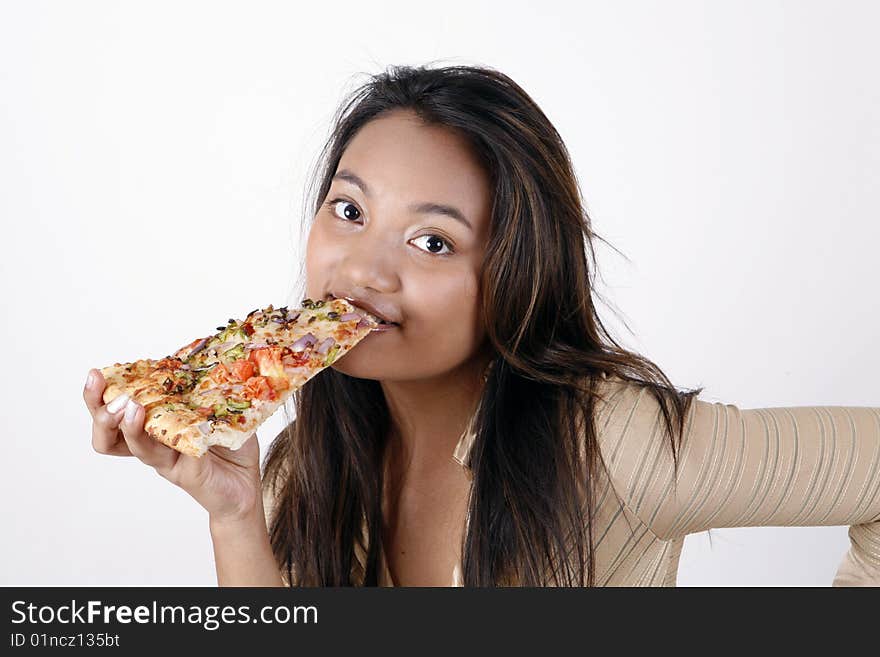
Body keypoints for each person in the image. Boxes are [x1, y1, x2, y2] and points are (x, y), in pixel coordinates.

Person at [83, 64, 880, 587]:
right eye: (349, 209)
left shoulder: (607, 442)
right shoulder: (300, 466)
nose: (363, 269)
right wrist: (235, 514)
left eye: (433, 240)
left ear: (514, 275)